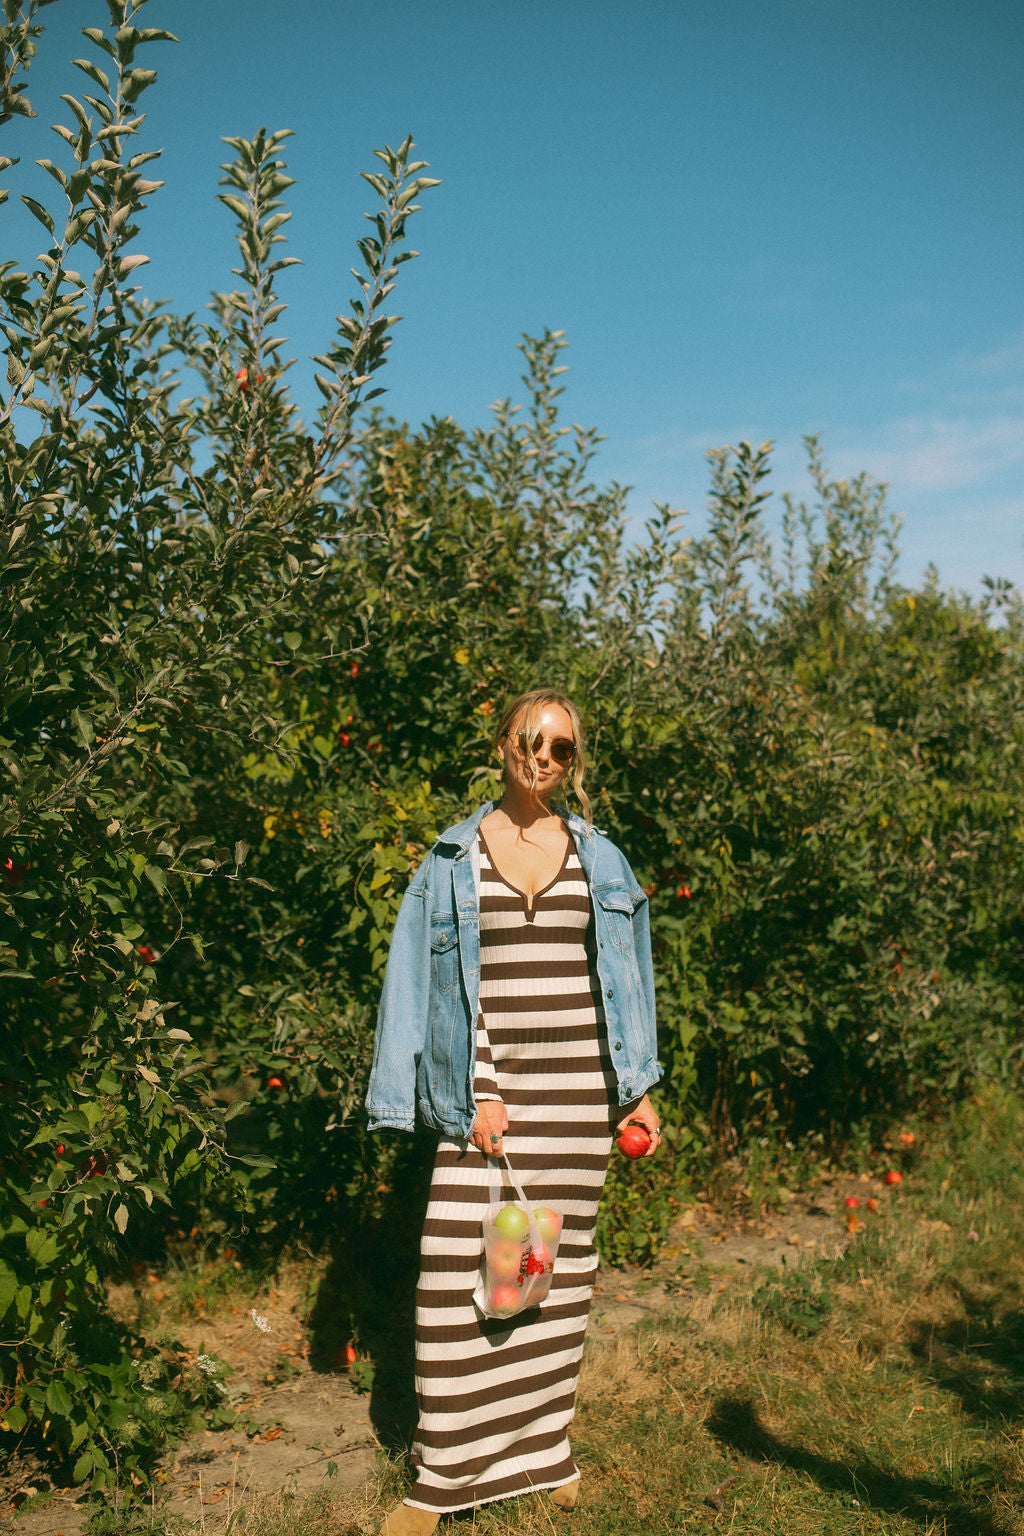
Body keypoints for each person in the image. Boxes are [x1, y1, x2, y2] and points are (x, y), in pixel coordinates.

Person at [366, 688, 661, 1535]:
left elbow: (628, 980)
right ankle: (444, 1478)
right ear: (503, 743)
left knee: (551, 1277)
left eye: (562, 748)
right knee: (455, 1281)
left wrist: (636, 1090)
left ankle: (543, 1453)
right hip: (489, 1097)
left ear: (575, 760)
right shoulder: (452, 858)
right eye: (531, 741)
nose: (544, 758)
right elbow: (427, 986)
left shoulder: (601, 858)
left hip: (579, 1096)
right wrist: (474, 1087)